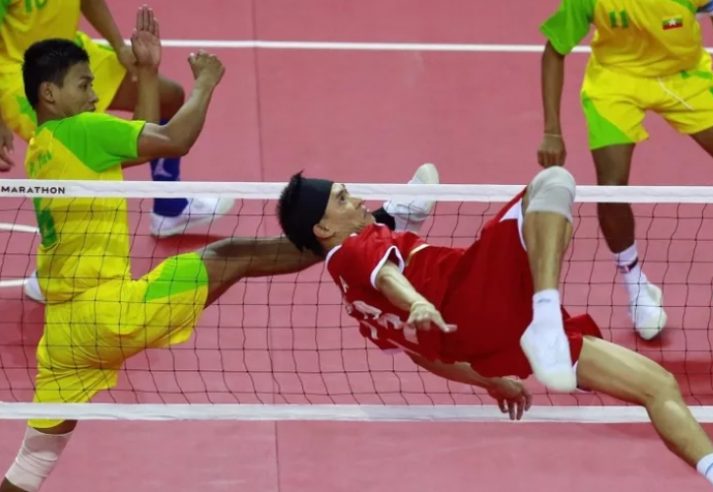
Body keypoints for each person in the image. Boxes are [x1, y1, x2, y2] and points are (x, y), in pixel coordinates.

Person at [0, 8, 434, 491]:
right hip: (111, 313)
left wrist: (144, 72)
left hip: (65, 335)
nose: (95, 93)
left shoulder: (45, 145)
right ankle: (379, 226)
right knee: (233, 254)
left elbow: (140, 141)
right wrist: (206, 81)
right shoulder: (82, 131)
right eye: (84, 85)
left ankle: (376, 226)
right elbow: (173, 139)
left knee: (32, 463)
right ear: (50, 93)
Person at [277, 166, 713, 491]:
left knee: (658, 386)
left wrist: (490, 380)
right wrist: (420, 300)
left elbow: (425, 356)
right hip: (474, 295)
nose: (354, 197)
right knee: (552, 182)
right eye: (342, 198)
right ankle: (545, 310)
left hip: (489, 345)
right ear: (323, 229)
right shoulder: (356, 252)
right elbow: (388, 275)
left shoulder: (352, 299)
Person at [537, 0, 713, 339]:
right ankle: (636, 287)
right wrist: (552, 130)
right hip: (616, 82)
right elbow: (554, 51)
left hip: (685, 76)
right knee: (611, 188)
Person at [0, 0, 232, 236]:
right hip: (20, 72)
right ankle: (57, 252)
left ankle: (170, 207)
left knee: (167, 98)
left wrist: (120, 46)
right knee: (79, 157)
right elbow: (148, 147)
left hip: (68, 53)